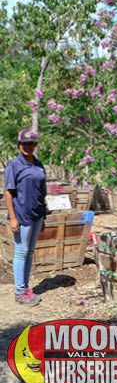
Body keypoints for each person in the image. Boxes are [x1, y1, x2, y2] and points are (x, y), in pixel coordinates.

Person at [4, 128, 47, 306]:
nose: (28, 146)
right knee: (21, 252)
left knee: (29, 252)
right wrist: (13, 218)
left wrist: (43, 215)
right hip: (22, 215)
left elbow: (42, 192)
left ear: (35, 145)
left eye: (31, 143)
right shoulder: (14, 164)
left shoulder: (38, 164)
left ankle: (25, 287)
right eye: (25, 143)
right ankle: (20, 292)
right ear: (19, 144)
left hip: (37, 214)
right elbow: (8, 192)